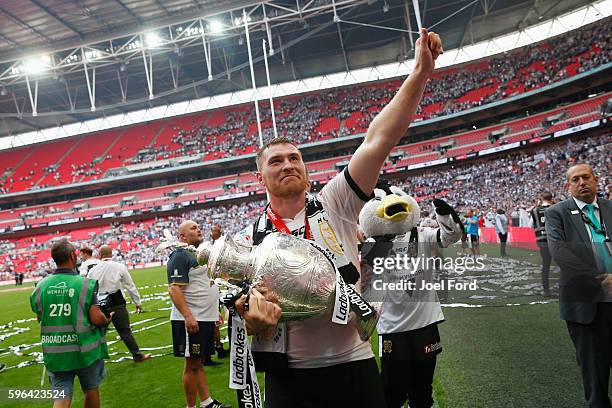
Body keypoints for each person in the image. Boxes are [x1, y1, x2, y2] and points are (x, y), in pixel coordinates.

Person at [231, 27, 443, 407]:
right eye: (276, 161)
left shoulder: (336, 202)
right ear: (259, 176)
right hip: (289, 376)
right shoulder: (252, 239)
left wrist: (420, 73)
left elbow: (378, 138)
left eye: (295, 158)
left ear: (306, 169)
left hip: (353, 364)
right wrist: (252, 318)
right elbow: (246, 311)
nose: (288, 165)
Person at [546, 164, 611, 408]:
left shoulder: (610, 207)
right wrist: (601, 279)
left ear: (596, 179)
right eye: (575, 179)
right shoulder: (556, 213)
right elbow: (561, 253)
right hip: (584, 305)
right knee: (595, 376)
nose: (581, 182)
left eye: (586, 177)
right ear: (568, 186)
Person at [30, 239, 111, 408]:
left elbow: (40, 317)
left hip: (56, 351)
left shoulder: (41, 286)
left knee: (61, 396)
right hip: (85, 351)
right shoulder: (85, 284)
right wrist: (107, 319)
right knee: (91, 389)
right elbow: (97, 318)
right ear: (72, 256)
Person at [167, 220, 230, 408]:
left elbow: (204, 284)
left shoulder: (198, 253)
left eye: (198, 226)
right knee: (192, 364)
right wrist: (188, 316)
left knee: (199, 361)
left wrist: (214, 312)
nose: (198, 229)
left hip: (204, 317)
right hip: (191, 319)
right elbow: (174, 289)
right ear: (183, 236)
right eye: (193, 228)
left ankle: (206, 402)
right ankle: (191, 406)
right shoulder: (179, 255)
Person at [87, 245, 151, 363]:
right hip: (116, 302)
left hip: (99, 305)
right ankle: (137, 355)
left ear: (100, 255)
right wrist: (137, 302)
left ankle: (92, 358)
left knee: (98, 333)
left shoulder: (92, 270)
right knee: (125, 332)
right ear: (111, 254)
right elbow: (130, 285)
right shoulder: (119, 267)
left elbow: (88, 290)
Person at [531, 192, 554, 297]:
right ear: (551, 199)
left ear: (542, 199)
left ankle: (546, 290)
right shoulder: (556, 208)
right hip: (555, 240)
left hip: (542, 240)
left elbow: (532, 224)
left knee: (546, 265)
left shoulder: (535, 210)